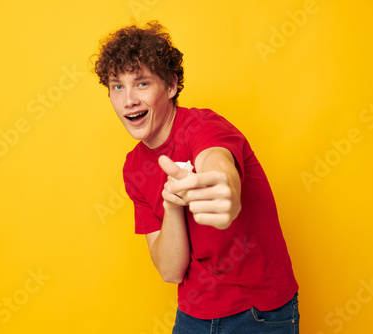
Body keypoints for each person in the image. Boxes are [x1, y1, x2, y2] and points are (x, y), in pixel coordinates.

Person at [93, 21, 300, 333]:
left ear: (172, 85)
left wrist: (222, 190)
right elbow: (171, 270)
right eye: (117, 87)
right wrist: (172, 203)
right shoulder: (134, 167)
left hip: (260, 313)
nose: (128, 100)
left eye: (142, 84)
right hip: (194, 315)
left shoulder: (204, 126)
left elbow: (217, 163)